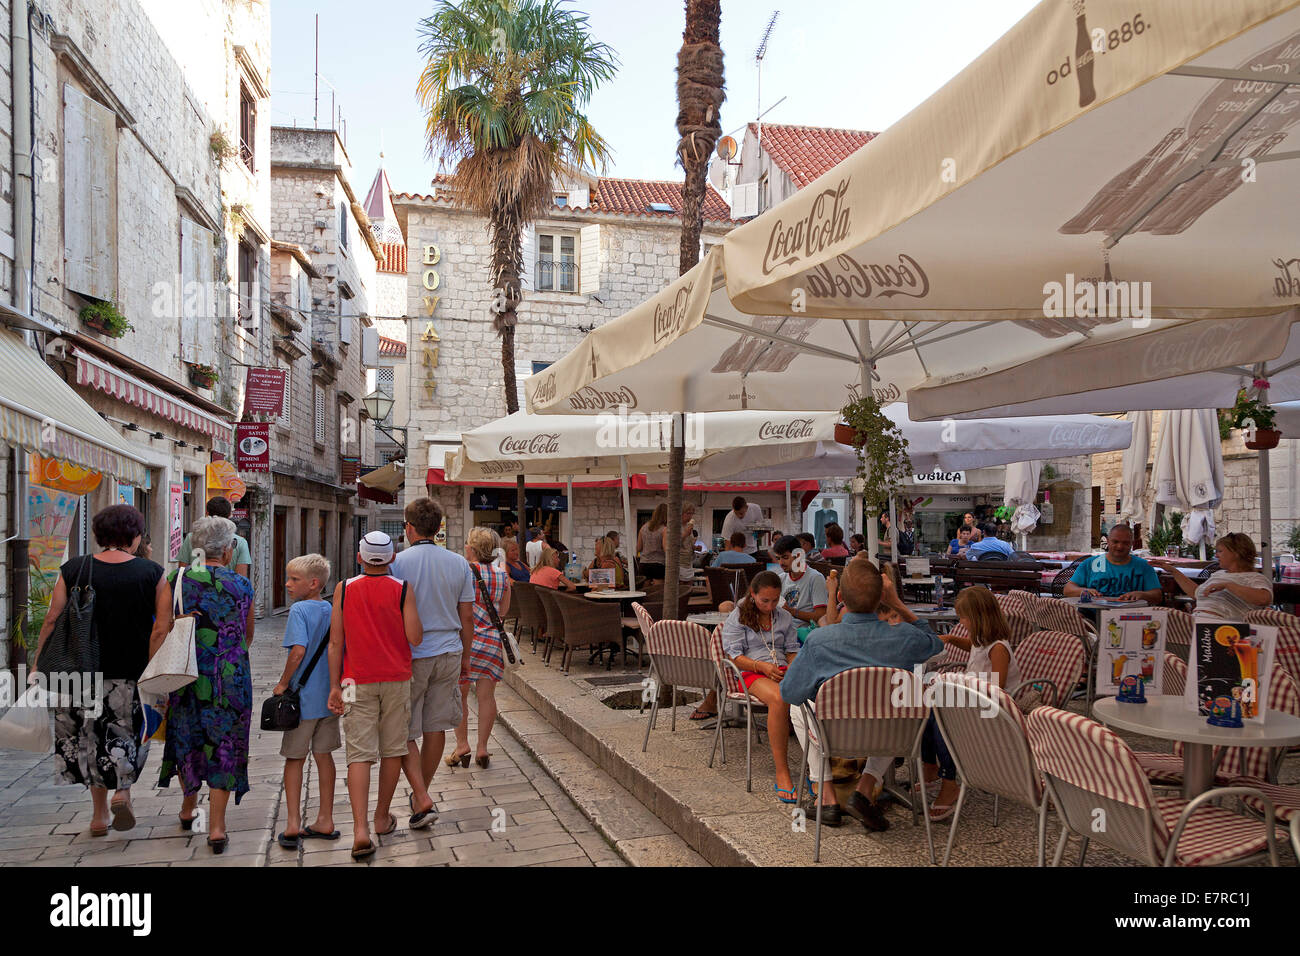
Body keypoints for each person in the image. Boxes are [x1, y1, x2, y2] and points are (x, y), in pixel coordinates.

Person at [33, 505, 169, 838]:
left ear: (99, 535)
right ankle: (122, 792)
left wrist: (39, 661)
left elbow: (52, 619)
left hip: (80, 672)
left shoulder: (74, 569)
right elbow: (160, 629)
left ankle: (98, 816)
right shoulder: (153, 573)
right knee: (129, 734)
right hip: (131, 672)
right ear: (134, 536)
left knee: (89, 739)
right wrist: (153, 669)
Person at [781, 560, 944, 830]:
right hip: (891, 738)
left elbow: (789, 692)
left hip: (835, 738)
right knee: (899, 705)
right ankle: (866, 787)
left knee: (799, 708)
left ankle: (827, 796)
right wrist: (898, 603)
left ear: (841, 597)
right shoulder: (903, 636)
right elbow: (935, 643)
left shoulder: (821, 641)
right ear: (882, 596)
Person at [326, 531, 425, 861]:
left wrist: (334, 686)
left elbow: (335, 642)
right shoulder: (403, 590)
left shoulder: (344, 589)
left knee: (359, 753)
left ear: (360, 558)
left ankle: (360, 830)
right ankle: (382, 817)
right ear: (393, 559)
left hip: (355, 679)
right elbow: (415, 637)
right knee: (393, 749)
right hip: (396, 678)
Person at [159, 516, 255, 853]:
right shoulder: (241, 585)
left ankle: (188, 808)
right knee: (225, 746)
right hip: (230, 678)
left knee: (188, 738)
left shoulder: (176, 580)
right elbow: (247, 635)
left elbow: (161, 629)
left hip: (186, 676)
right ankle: (216, 827)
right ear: (228, 551)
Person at [390, 498, 472, 820]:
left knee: (405, 730)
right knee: (437, 727)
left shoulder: (398, 564)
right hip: (449, 650)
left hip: (411, 654)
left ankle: (421, 796)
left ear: (408, 528)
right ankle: (421, 794)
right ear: (438, 528)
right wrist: (466, 656)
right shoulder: (458, 564)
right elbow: (467, 616)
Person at [921, 586, 1021, 820]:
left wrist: (963, 687)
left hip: (994, 710)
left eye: (963, 618)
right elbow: (973, 647)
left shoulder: (998, 648)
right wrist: (952, 639)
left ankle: (949, 780)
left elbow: (997, 686)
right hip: (976, 701)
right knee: (927, 708)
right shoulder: (982, 641)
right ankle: (930, 769)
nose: (961, 621)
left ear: (978, 618)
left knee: (940, 717)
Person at [272, 553, 340, 848]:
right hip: (328, 698)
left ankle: (292, 823)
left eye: (294, 580)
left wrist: (283, 683)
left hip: (301, 701)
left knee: (295, 759)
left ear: (313, 584)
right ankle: (325, 818)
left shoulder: (299, 611)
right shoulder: (332, 609)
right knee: (325, 757)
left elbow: (298, 651)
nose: (287, 584)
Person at [720, 571, 801, 802]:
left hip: (781, 669)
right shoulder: (739, 617)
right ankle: (782, 771)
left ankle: (819, 771)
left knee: (815, 693)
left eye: (775, 600)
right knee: (779, 698)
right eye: (765, 600)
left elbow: (792, 649)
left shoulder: (783, 617)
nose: (770, 605)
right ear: (753, 595)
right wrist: (762, 667)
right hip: (750, 672)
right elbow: (735, 656)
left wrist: (794, 668)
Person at [451, 527, 511, 770]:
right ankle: (483, 748)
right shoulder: (502, 576)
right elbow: (504, 612)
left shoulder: (463, 573)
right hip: (491, 643)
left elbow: (456, 609)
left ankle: (462, 744)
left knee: (460, 696)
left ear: (472, 548)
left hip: (466, 642)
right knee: (487, 697)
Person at [1151, 532, 1272, 618]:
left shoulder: (1254, 578)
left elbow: (1264, 599)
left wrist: (1229, 585)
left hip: (1225, 630)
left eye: (1220, 551)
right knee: (1157, 616)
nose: (1216, 555)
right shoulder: (1219, 574)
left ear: (1236, 553)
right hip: (1197, 622)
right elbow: (1196, 593)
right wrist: (1173, 570)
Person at [1064, 523, 1163, 603]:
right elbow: (1068, 589)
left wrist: (1142, 595)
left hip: (1131, 618)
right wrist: (1083, 591)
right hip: (1092, 618)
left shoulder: (1144, 566)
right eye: (1115, 542)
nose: (1120, 546)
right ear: (1107, 541)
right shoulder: (1090, 563)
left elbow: (1157, 596)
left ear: (1132, 544)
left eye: (1125, 543)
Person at [177, 496, 251, 578]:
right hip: (226, 589)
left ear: (207, 513)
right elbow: (241, 577)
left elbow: (181, 572)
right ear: (230, 514)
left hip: (193, 588)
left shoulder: (192, 537)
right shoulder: (240, 542)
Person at [772, 534, 829, 625]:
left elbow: (821, 616)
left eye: (785, 557)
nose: (781, 563)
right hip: (781, 628)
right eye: (778, 558)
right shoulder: (781, 578)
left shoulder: (815, 578)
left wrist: (792, 612)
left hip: (804, 631)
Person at [637, 504, 668, 581]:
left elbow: (639, 548)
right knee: (658, 591)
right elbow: (666, 549)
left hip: (644, 563)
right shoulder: (664, 529)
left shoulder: (643, 527)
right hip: (658, 564)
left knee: (646, 591)